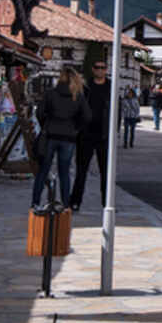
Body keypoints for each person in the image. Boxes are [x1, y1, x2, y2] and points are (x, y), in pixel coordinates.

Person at [32, 66, 89, 209]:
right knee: (64, 172)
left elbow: (39, 112)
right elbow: (87, 116)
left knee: (43, 170)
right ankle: (65, 204)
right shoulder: (78, 96)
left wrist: (46, 124)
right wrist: (76, 128)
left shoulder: (51, 93)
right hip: (68, 136)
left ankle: (36, 202)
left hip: (51, 134)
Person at [68, 61, 111, 212]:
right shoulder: (86, 87)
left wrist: (115, 131)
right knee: (81, 171)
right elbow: (77, 107)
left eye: (103, 68)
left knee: (106, 172)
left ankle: (107, 203)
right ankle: (75, 202)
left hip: (104, 135)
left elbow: (116, 109)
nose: (100, 70)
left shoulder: (111, 87)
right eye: (97, 67)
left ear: (106, 70)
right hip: (86, 134)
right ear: (93, 69)